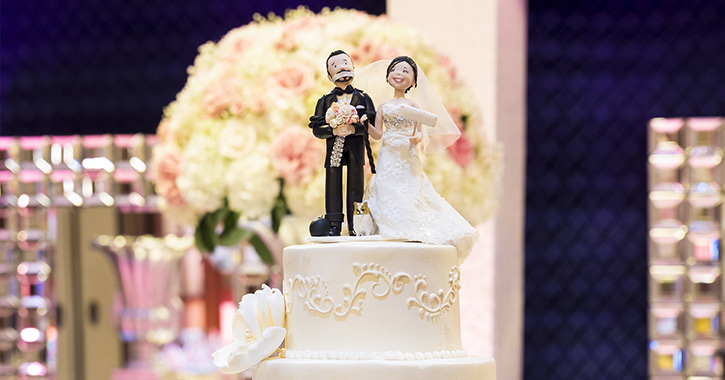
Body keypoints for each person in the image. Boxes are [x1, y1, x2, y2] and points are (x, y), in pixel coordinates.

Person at [363, 56, 479, 260]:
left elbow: (420, 131)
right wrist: (366, 125)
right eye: (395, 70)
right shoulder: (383, 107)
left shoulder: (413, 105)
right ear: (388, 76)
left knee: (408, 185)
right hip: (388, 153)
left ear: (414, 81)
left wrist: (416, 138)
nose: (399, 74)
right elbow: (378, 134)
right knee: (387, 184)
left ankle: (407, 224)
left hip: (406, 155)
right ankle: (389, 225)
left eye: (405, 71)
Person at [309, 50, 376, 236]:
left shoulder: (363, 98)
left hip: (356, 150)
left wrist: (355, 129)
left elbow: (372, 125)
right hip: (333, 151)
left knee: (356, 186)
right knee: (333, 186)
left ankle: (356, 224)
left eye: (346, 63)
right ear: (329, 75)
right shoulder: (325, 101)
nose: (343, 67)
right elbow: (316, 128)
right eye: (336, 66)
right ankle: (334, 224)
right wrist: (332, 130)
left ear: (353, 67)